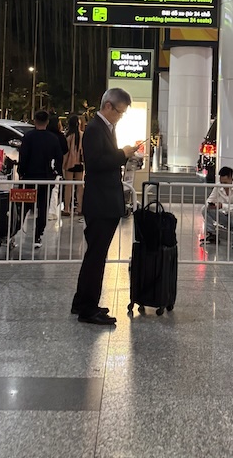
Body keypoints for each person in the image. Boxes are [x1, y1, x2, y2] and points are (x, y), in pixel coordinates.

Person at [72, 88, 138, 325]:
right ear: (108, 106)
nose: (119, 117)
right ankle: (87, 309)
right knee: (96, 257)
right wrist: (123, 154)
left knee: (94, 256)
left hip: (105, 200)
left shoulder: (104, 129)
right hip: (100, 202)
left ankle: (81, 301)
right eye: (119, 112)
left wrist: (122, 153)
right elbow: (97, 162)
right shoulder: (94, 129)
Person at [18, 110, 63, 247]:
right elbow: (59, 157)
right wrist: (56, 172)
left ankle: (14, 231)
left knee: (24, 206)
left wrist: (21, 171)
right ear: (47, 122)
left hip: (29, 177)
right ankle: (38, 236)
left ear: (34, 121)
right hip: (46, 177)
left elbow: (23, 156)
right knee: (43, 206)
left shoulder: (28, 137)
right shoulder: (53, 138)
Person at [200, 166, 233, 250]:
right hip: (226, 218)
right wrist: (211, 205)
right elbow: (210, 199)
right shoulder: (218, 186)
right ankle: (212, 234)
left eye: (225, 183)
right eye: (222, 182)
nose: (223, 185)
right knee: (205, 208)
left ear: (231, 178)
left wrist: (223, 206)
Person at [63, 115, 84, 217]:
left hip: (69, 163)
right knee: (80, 186)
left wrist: (63, 164)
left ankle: (67, 208)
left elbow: (66, 152)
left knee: (68, 186)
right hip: (80, 163)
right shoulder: (82, 135)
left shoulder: (68, 136)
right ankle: (80, 208)